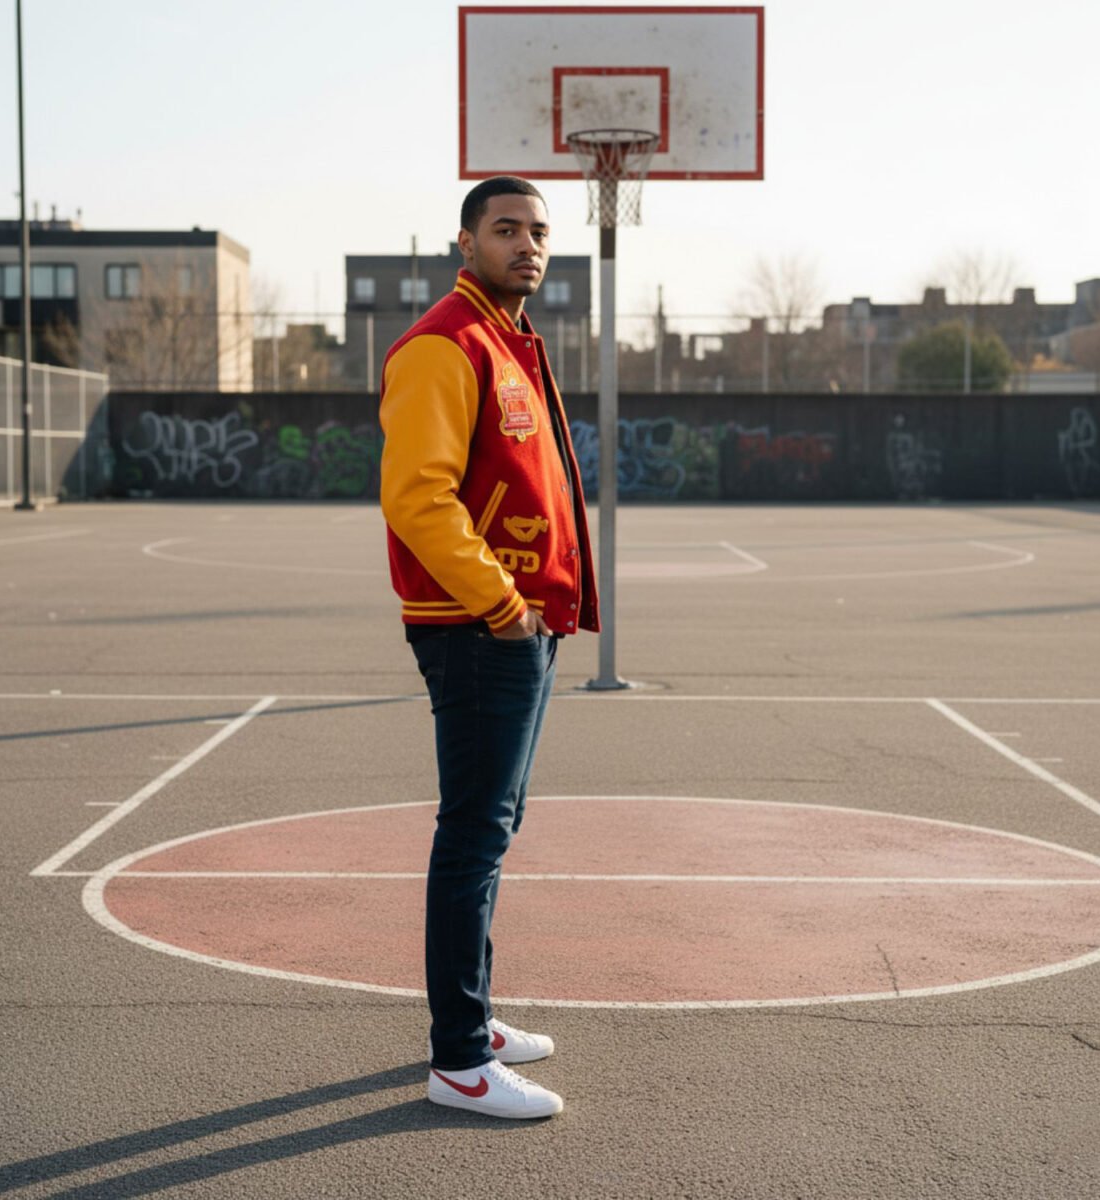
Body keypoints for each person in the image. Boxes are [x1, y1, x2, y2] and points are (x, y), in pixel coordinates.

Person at [379, 176, 599, 1119]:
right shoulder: (444, 345)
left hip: (519, 625)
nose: (527, 244)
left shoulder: (509, 342)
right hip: (478, 629)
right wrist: (503, 606)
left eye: (539, 231)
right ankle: (460, 1060)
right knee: (472, 834)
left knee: (491, 831)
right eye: (506, 228)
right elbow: (418, 498)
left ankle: (475, 1017)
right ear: (465, 240)